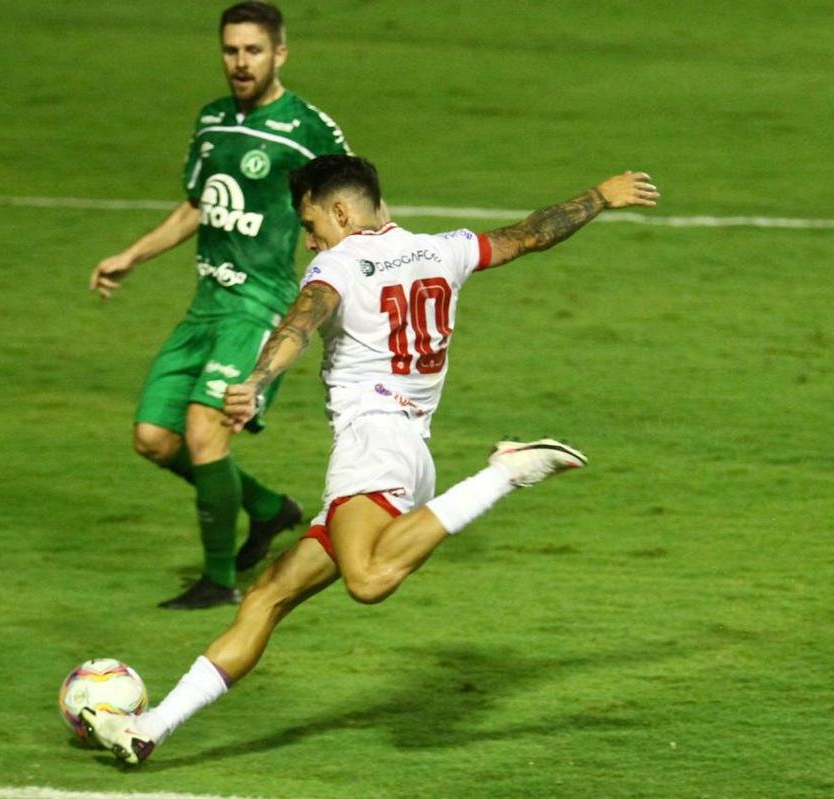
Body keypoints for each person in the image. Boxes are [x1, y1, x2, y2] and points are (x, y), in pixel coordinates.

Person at [81, 155, 660, 763]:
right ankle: (150, 729)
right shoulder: (445, 248)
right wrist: (600, 196)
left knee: (367, 579)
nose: (309, 241)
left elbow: (300, 325)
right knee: (267, 595)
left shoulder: (337, 264)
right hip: (407, 451)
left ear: (340, 211)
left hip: (372, 445)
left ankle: (505, 473)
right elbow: (530, 234)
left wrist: (254, 380)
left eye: (311, 225)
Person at [89, 2, 352, 609]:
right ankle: (268, 508)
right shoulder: (211, 121)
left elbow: (357, 203)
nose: (240, 62)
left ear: (279, 54)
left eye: (253, 50)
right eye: (231, 50)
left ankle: (218, 582)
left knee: (204, 431)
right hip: (206, 306)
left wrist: (348, 274)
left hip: (260, 306)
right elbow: (197, 206)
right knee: (153, 438)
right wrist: (133, 255)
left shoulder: (307, 127)